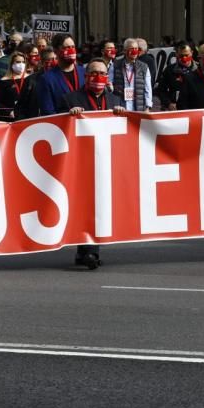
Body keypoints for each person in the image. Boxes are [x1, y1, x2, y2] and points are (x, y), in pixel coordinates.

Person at [64, 59, 126, 270]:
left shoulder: (114, 100)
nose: (98, 77)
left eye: (101, 72)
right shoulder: (72, 98)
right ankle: (87, 250)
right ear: (86, 75)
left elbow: (126, 129)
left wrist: (122, 114)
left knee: (98, 205)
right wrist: (70, 115)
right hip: (81, 161)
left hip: (105, 161)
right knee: (85, 206)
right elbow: (58, 125)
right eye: (93, 73)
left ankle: (88, 251)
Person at [38, 34, 85, 116]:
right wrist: (68, 114)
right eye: (66, 48)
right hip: (63, 125)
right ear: (56, 51)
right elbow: (48, 112)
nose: (71, 50)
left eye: (73, 47)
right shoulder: (47, 79)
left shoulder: (84, 72)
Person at [110, 38, 153, 112]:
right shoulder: (115, 65)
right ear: (125, 51)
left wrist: (148, 106)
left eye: (136, 48)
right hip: (120, 106)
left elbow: (148, 88)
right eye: (131, 48)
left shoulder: (144, 67)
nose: (134, 51)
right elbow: (109, 85)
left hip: (138, 106)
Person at [0, 52, 37, 121]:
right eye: (18, 62)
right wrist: (8, 112)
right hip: (10, 118)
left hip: (28, 117)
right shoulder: (3, 81)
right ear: (11, 64)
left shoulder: (30, 78)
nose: (21, 64)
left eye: (23, 62)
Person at [158, 41, 195, 110]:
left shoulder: (198, 70)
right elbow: (161, 90)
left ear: (192, 53)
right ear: (176, 54)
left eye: (187, 55)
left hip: (193, 110)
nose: (184, 58)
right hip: (175, 110)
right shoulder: (169, 70)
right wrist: (168, 103)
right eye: (181, 56)